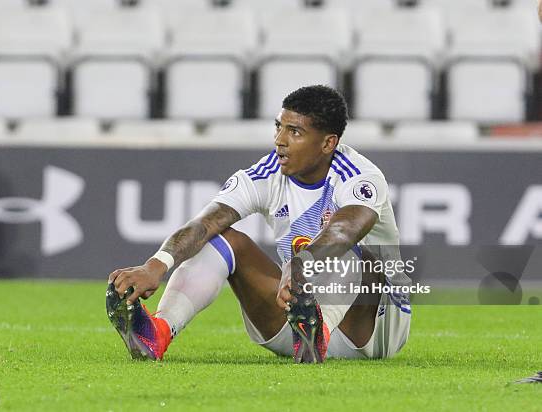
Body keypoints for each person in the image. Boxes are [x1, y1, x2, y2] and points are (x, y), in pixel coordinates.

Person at [107, 85, 411, 363]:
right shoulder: (266, 174)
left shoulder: (361, 176)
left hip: (373, 329)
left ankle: (319, 330)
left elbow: (346, 229)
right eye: (279, 127)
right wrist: (156, 265)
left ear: (328, 143)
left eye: (295, 132)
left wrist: (300, 265)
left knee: (346, 250)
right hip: (293, 325)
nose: (280, 140)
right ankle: (158, 332)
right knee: (219, 238)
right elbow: (204, 222)